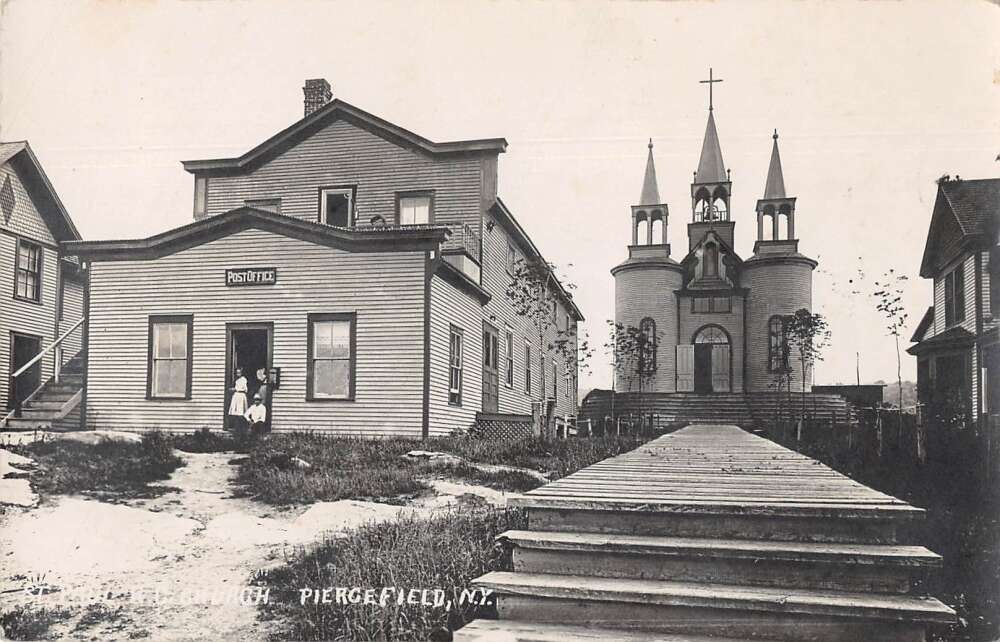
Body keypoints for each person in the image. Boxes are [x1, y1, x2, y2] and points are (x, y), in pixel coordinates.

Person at [227, 367, 249, 434]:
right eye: (237, 372)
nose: (238, 374)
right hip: (236, 396)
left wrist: (235, 389)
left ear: (242, 373)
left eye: (239, 372)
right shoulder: (237, 380)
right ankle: (236, 428)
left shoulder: (244, 379)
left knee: (241, 412)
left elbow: (245, 389)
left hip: (240, 396)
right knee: (235, 412)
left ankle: (242, 428)